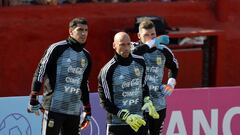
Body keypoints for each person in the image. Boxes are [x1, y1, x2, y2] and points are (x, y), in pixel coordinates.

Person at [27, 17, 92, 135]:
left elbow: (83, 84)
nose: (83, 33)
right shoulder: (56, 48)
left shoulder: (87, 56)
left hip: (74, 110)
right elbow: (40, 72)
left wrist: (87, 110)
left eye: (86, 30)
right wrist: (33, 96)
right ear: (71, 32)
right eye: (80, 30)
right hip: (54, 107)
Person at [98, 32, 159, 135]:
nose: (126, 48)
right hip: (117, 125)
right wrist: (125, 116)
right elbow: (104, 102)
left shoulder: (140, 62)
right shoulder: (107, 70)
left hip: (139, 121)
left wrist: (147, 99)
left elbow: (144, 86)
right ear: (114, 45)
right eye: (122, 44)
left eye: (128, 44)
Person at [132, 19, 179, 135]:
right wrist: (155, 41)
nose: (151, 38)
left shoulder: (163, 51)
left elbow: (174, 67)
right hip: (137, 105)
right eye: (146, 35)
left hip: (158, 104)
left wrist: (170, 84)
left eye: (153, 34)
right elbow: (134, 53)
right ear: (139, 36)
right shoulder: (133, 48)